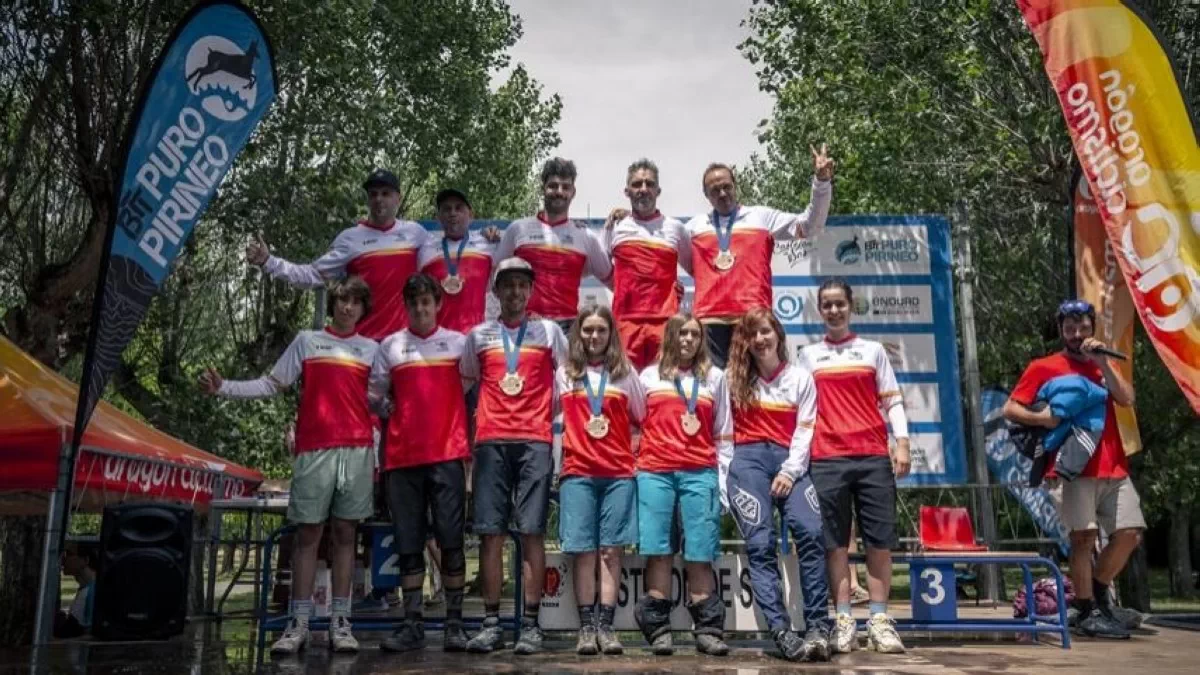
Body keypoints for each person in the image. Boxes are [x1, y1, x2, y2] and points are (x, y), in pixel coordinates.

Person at [200, 276, 378, 654]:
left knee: (346, 536)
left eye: (355, 302)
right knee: (308, 536)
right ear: (333, 304)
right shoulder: (307, 341)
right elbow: (271, 384)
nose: (347, 307)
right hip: (314, 450)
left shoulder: (372, 349)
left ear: (364, 309)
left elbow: (381, 401)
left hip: (358, 452)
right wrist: (224, 387)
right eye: (342, 300)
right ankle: (297, 623)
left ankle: (340, 623)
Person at [1003, 299, 1142, 639]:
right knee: (1083, 538)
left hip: (1113, 465)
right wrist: (1043, 419)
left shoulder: (1104, 362)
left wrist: (1103, 365)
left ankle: (1095, 594)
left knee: (1130, 533)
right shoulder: (1044, 366)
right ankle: (1088, 609)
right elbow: (1010, 408)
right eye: (1070, 328)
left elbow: (1126, 398)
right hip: (1071, 467)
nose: (1077, 334)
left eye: (1083, 327)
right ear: (1062, 330)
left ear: (1093, 328)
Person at [459, 257, 567, 655]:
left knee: (532, 533)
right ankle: (491, 623)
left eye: (522, 285)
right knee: (491, 534)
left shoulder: (550, 332)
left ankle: (530, 625)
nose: (515, 292)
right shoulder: (478, 336)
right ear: (496, 291)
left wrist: (542, 413)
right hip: (490, 443)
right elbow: (469, 380)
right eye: (508, 285)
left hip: (535, 442)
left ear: (530, 290)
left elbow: (567, 382)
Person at [801, 279, 909, 654]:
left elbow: (892, 400)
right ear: (820, 310)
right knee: (834, 545)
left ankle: (879, 620)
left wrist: (904, 443)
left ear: (851, 306)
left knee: (880, 541)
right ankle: (844, 619)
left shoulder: (873, 350)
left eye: (839, 304)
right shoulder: (808, 355)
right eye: (827, 305)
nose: (833, 311)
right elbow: (802, 410)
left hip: (872, 456)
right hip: (826, 457)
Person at [370, 274, 472, 653]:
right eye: (413, 302)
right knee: (409, 544)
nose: (420, 308)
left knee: (451, 542)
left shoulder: (460, 344)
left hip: (446, 456)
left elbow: (469, 386)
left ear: (438, 304)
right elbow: (376, 396)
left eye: (426, 301)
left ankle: (455, 624)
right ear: (406, 306)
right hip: (402, 458)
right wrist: (388, 408)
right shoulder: (390, 346)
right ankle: (412, 624)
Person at [725, 307, 831, 662]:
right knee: (760, 542)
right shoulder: (732, 379)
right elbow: (722, 434)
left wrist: (789, 470)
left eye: (766, 332)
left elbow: (805, 429)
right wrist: (727, 476)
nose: (760, 340)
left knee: (811, 531)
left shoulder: (800, 378)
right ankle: (781, 630)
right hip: (748, 461)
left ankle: (818, 625)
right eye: (753, 334)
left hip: (790, 461)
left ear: (779, 336)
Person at [634, 313, 732, 656]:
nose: (687, 339)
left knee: (700, 552)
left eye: (694, 334)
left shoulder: (715, 378)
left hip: (699, 472)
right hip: (654, 472)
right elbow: (633, 424)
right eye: (681, 333)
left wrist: (721, 482)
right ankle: (658, 628)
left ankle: (706, 628)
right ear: (670, 337)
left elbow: (723, 434)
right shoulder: (647, 377)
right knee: (659, 551)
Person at [683, 146, 834, 367]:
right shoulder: (695, 227)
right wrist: (630, 218)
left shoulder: (761, 217)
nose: (722, 193)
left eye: (727, 186)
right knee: (713, 395)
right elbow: (662, 242)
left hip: (752, 317)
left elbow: (810, 226)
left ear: (735, 186)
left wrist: (821, 183)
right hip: (709, 321)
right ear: (706, 195)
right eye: (715, 190)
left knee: (754, 392)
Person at [553, 304, 646, 655]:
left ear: (611, 335)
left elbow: (640, 415)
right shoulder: (565, 374)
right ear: (579, 333)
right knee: (584, 554)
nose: (594, 336)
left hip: (618, 473)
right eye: (588, 330)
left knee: (610, 552)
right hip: (577, 473)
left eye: (601, 330)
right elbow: (548, 413)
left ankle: (607, 628)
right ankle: (586, 628)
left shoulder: (625, 374)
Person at [246, 168, 429, 340]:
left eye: (385, 193)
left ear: (398, 198)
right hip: (363, 345)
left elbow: (444, 261)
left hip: (405, 346)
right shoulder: (350, 238)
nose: (379, 199)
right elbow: (312, 275)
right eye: (373, 194)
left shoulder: (415, 233)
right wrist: (268, 262)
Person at [494, 157, 613, 333]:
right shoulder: (518, 229)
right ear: (543, 188)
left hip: (568, 328)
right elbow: (493, 274)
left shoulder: (585, 236)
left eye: (565, 187)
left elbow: (615, 281)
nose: (559, 191)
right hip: (524, 325)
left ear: (573, 191)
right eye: (553, 185)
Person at [601, 159, 687, 370]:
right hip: (625, 323)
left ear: (658, 190)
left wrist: (676, 290)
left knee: (664, 389)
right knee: (625, 387)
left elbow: (697, 268)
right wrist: (624, 287)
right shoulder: (616, 225)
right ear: (627, 191)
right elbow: (601, 268)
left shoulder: (675, 228)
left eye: (649, 184)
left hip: (666, 322)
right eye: (637, 184)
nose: (643, 189)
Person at [55, 542, 97, 638]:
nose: (63, 559)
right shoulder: (85, 589)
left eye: (68, 554)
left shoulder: (90, 592)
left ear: (86, 560)